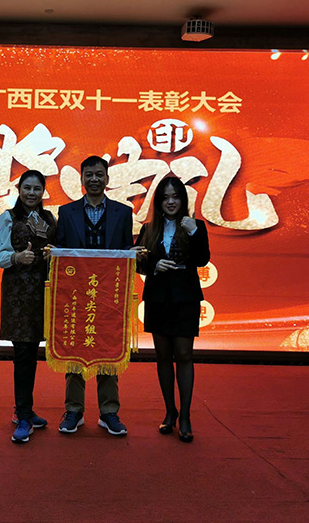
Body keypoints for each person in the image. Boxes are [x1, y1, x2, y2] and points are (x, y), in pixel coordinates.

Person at [55, 156, 134, 436]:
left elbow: (126, 251)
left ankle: (109, 411)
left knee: (108, 350)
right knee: (75, 349)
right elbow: (61, 252)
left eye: (99, 174)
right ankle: (73, 410)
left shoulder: (123, 213)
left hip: (110, 295)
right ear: (81, 179)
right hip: (76, 295)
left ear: (107, 178)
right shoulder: (66, 212)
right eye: (89, 175)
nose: (94, 179)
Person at [136, 175, 210, 442]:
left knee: (185, 355)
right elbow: (138, 261)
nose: (170, 202)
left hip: (185, 299)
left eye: (175, 197)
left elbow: (202, 259)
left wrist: (193, 233)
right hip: (158, 299)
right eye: (165, 197)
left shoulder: (195, 226)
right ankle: (170, 412)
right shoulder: (149, 229)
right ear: (158, 202)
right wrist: (154, 265)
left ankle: (186, 416)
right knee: (163, 356)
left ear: (183, 200)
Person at [0, 170, 57, 444]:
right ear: (19, 189)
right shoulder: (8, 217)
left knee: (33, 353)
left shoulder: (49, 219)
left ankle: (25, 410)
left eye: (37, 189)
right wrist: (17, 257)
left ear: (43, 191)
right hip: (18, 294)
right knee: (22, 353)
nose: (32, 193)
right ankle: (23, 415)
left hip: (44, 293)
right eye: (27, 188)